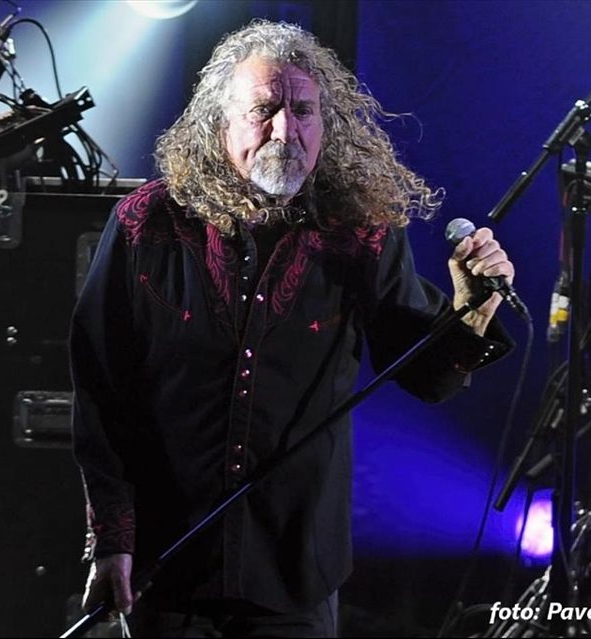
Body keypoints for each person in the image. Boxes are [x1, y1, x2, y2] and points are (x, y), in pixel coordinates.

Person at [70, 20, 515, 638]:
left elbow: (427, 377)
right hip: (168, 568)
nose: (285, 130)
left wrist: (472, 308)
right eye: (264, 110)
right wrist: (113, 540)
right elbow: (102, 394)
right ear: (219, 121)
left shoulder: (359, 232)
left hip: (293, 572)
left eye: (303, 111)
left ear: (326, 126)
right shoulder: (148, 224)